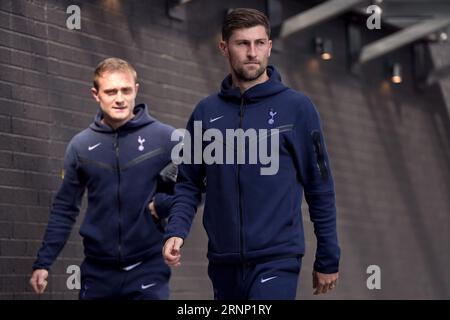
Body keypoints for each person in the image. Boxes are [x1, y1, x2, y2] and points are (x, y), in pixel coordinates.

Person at [163, 8, 340, 299]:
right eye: (242, 43)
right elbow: (188, 183)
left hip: (278, 259)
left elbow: (320, 187)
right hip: (223, 262)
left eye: (259, 43)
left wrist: (328, 257)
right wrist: (176, 231)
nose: (252, 52)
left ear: (270, 46)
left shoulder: (297, 108)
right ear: (224, 47)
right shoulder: (206, 113)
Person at [30, 58, 177, 300]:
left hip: (147, 268)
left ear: (135, 91)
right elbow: (65, 209)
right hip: (97, 273)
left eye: (125, 90)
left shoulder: (165, 138)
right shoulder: (81, 146)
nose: (119, 98)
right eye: (110, 91)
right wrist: (43, 263)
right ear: (95, 95)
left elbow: (200, 185)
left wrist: (162, 205)